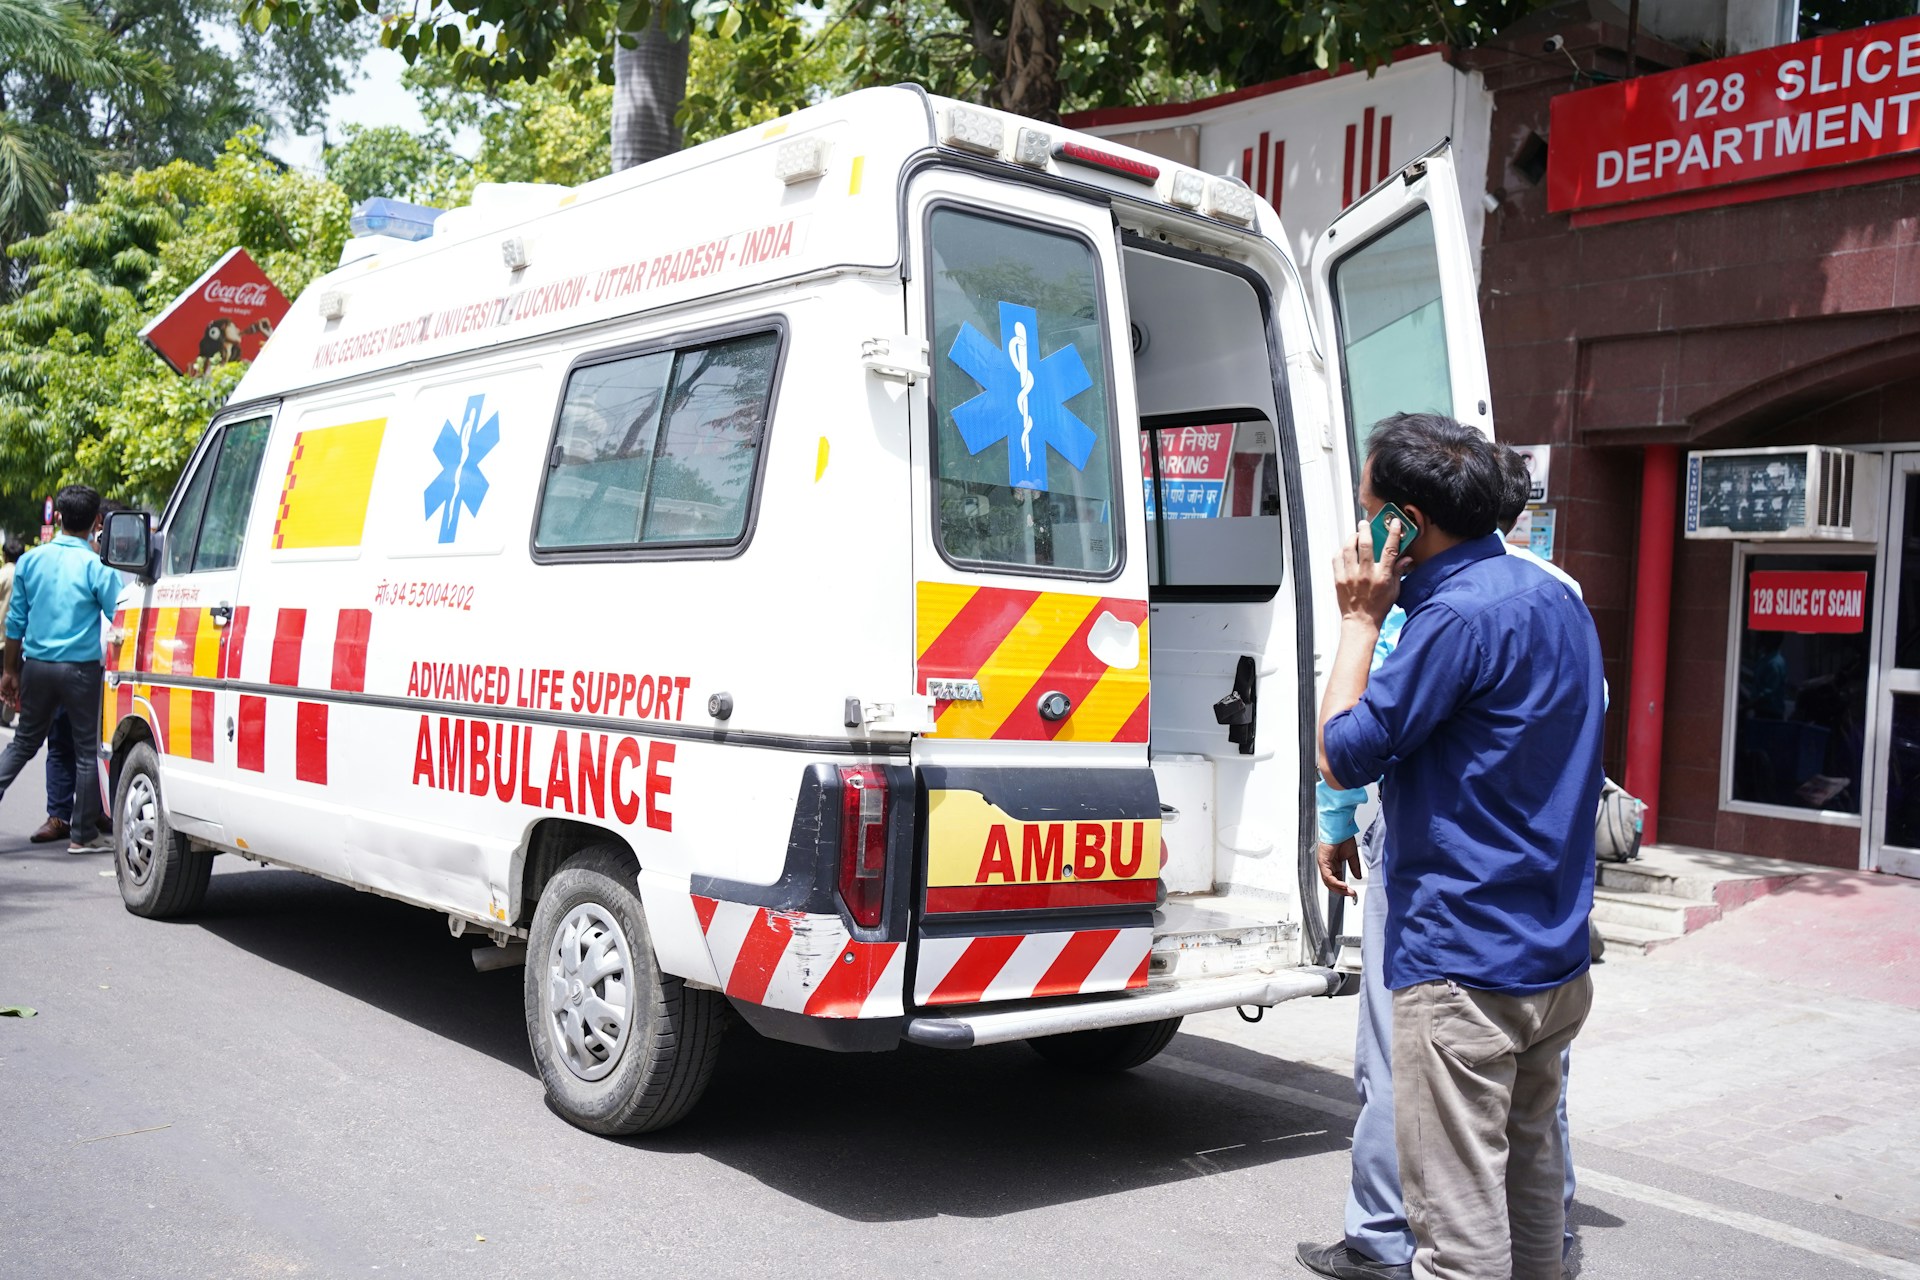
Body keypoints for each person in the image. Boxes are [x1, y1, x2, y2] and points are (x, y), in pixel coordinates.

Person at [1317, 415, 1603, 1280]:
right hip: (1550, 956)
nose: (1362, 529)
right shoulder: (1552, 597)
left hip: (1464, 965)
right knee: (1531, 1192)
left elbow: (1340, 750)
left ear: (1404, 523)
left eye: (1369, 510)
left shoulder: (1454, 621)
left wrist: (1361, 621)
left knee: (1457, 1230)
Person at [0, 486, 124, 854]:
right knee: (87, 751)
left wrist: (10, 671)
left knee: (24, 744)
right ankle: (82, 835)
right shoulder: (94, 565)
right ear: (94, 523)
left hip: (36, 666)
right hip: (81, 670)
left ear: (57, 518)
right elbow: (116, 615)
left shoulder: (30, 562)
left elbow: (15, 622)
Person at [0, 537, 17, 729]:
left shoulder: (3, 574)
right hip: (16, 637)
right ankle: (6, 711)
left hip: (1, 634)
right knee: (10, 673)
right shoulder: (23, 574)